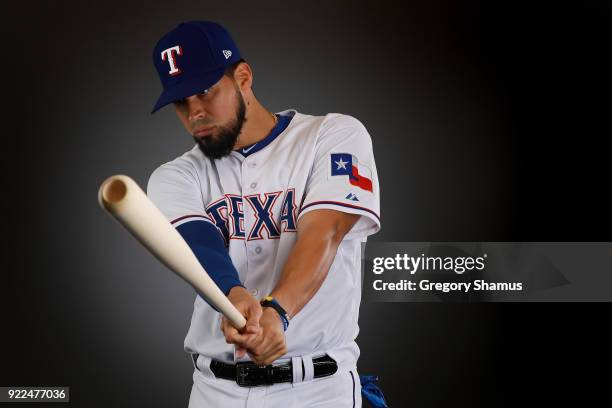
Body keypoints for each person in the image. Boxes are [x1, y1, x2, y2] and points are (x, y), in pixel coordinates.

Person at [147, 21, 382, 408]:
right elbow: (197, 247)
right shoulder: (175, 176)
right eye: (181, 101)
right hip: (214, 392)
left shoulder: (332, 135)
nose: (195, 113)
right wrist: (232, 294)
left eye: (205, 91)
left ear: (243, 77)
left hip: (319, 390)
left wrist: (278, 312)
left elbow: (325, 232)